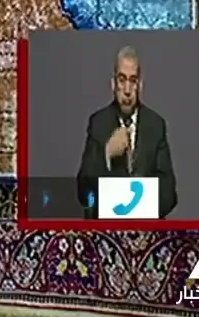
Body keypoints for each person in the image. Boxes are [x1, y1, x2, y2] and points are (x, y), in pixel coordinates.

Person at [76, 46, 178, 218]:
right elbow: (84, 192)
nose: (127, 90)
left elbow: (168, 195)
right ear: (113, 84)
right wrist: (106, 154)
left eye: (133, 80)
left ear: (140, 85)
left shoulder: (155, 125)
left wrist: (129, 202)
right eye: (122, 80)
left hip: (145, 229)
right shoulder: (98, 123)